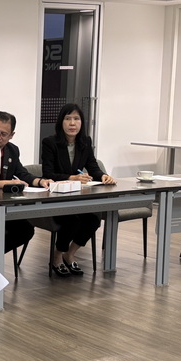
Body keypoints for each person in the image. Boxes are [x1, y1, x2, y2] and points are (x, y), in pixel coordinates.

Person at [41, 103, 116, 277]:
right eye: (68, 119)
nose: (72, 123)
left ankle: (70, 254)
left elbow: (93, 167)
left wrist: (104, 176)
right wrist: (71, 177)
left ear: (82, 122)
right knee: (72, 220)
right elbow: (48, 174)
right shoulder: (50, 143)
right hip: (55, 198)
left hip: (76, 197)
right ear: (61, 122)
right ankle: (57, 257)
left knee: (93, 219)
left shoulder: (85, 142)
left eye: (76, 119)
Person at [0, 110, 52, 254]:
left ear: (11, 135)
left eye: (3, 134)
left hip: (3, 205)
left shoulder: (12, 150)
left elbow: (22, 173)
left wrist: (40, 181)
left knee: (25, 230)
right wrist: (6, 183)